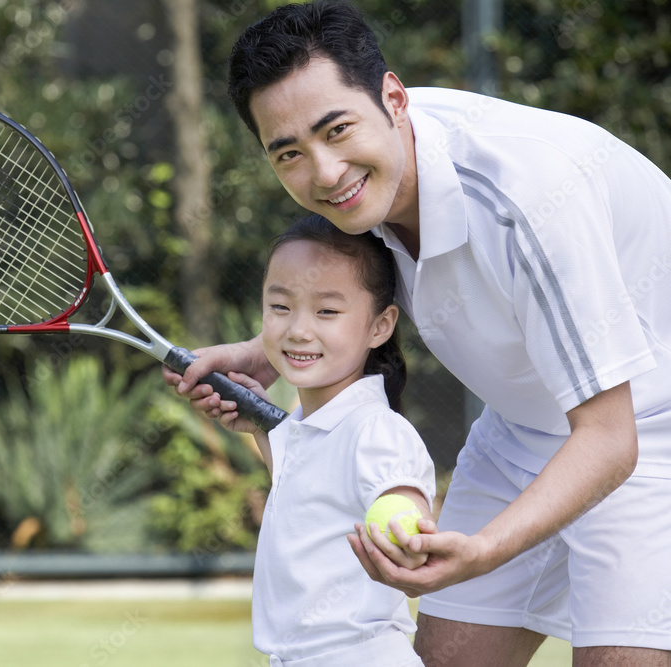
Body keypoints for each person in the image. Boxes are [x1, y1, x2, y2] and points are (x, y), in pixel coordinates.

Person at [162, 2, 671, 665]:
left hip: (646, 426)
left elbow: (609, 437)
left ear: (394, 98)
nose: (324, 171)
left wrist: (486, 549)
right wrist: (267, 355)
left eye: (336, 130)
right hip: (525, 424)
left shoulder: (531, 197)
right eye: (288, 153)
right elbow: (362, 291)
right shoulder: (364, 182)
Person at [223, 213, 435, 666]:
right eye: (280, 307)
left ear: (381, 326)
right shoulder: (309, 428)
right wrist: (260, 423)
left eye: (327, 311)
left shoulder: (375, 429)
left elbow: (403, 503)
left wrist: (408, 537)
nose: (299, 329)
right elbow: (309, 499)